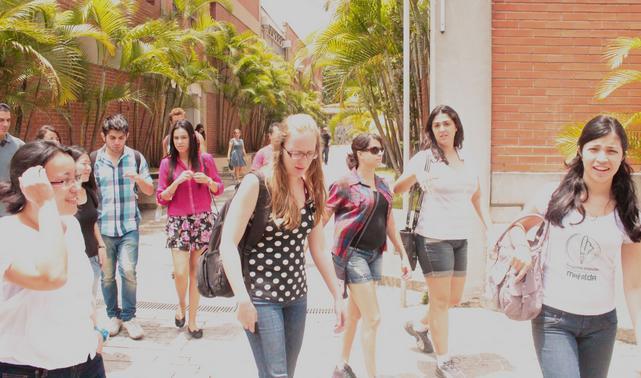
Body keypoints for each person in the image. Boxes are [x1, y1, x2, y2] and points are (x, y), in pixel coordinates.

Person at [509, 115, 641, 378]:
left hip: (602, 325)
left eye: (611, 150)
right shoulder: (553, 195)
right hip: (554, 320)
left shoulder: (628, 213)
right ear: (580, 151)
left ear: (622, 156)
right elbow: (517, 227)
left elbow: (634, 285)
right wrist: (522, 247)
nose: (602, 158)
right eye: (594, 149)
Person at [220, 114, 347, 378]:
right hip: (261, 297)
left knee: (285, 373)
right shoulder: (257, 184)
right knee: (276, 375)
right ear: (281, 148)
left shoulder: (310, 188)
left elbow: (319, 248)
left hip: (296, 297)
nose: (303, 160)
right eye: (296, 153)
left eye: (309, 153)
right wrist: (242, 299)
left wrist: (337, 295)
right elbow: (228, 244)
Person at [393, 105, 491, 377]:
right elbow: (397, 189)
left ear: (456, 126)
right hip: (433, 238)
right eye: (437, 125)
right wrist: (416, 176)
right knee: (439, 300)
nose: (442, 129)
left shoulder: (467, 158)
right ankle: (444, 360)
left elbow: (476, 196)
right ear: (431, 130)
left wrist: (491, 228)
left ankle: (420, 326)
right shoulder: (425, 158)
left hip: (460, 237)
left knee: (453, 298)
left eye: (447, 123)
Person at [0, 141, 106, 377]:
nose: (76, 188)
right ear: (30, 185)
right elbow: (51, 277)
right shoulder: (7, 234)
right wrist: (46, 202)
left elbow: (80, 291)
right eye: (64, 180)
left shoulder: (70, 224)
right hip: (31, 369)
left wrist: (95, 331)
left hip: (85, 361)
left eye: (76, 178)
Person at [325, 133, 411, 378]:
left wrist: (403, 255)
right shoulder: (345, 184)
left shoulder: (383, 184)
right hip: (353, 255)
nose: (380, 153)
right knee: (373, 318)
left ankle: (341, 366)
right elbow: (322, 216)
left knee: (357, 314)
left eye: (381, 149)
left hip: (375, 254)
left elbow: (390, 222)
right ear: (360, 154)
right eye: (374, 150)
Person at [156, 120, 224, 339]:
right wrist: (175, 184)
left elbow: (219, 188)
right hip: (178, 222)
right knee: (180, 272)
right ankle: (181, 304)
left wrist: (207, 181)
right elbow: (161, 197)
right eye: (176, 138)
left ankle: (192, 321)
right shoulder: (168, 164)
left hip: (203, 220)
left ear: (192, 139)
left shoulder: (205, 160)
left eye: (183, 137)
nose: (180, 142)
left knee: (196, 273)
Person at [93, 114, 154, 340]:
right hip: (104, 227)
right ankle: (113, 315)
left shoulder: (136, 158)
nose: (117, 142)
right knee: (107, 276)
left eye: (121, 137)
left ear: (127, 136)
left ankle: (129, 316)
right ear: (104, 136)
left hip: (129, 226)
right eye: (112, 137)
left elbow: (149, 191)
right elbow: (90, 196)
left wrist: (138, 178)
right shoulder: (94, 160)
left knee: (128, 271)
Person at [70, 145, 106, 298]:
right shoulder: (63, 195)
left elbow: (92, 222)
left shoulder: (90, 192)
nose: (88, 168)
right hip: (73, 259)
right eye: (83, 163)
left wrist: (101, 245)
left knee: (90, 302)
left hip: (92, 256)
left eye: (89, 164)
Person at [0, 103, 25, 217]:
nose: (5, 124)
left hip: (8, 210)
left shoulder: (19, 146)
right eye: (1, 120)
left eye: (8, 120)